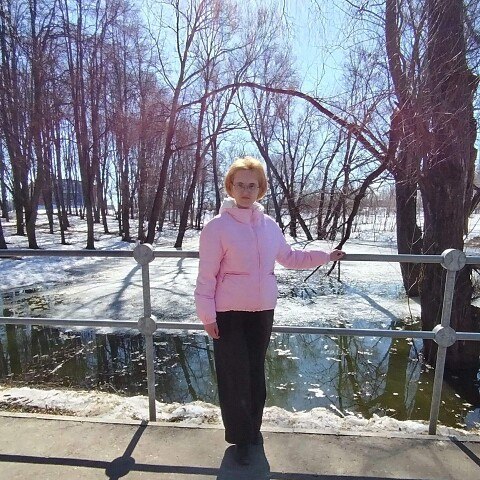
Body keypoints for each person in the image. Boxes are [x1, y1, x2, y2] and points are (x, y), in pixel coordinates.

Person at [194, 156, 345, 466]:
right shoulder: (217, 227)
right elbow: (206, 276)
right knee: (235, 376)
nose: (246, 191)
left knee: (254, 373)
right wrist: (207, 316)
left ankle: (253, 429)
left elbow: (290, 257)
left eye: (252, 185)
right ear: (230, 187)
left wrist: (326, 256)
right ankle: (241, 439)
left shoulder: (269, 226)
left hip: (263, 311)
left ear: (260, 188)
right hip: (228, 313)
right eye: (240, 185)